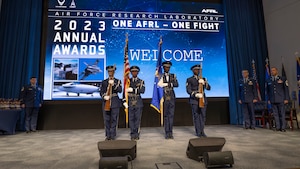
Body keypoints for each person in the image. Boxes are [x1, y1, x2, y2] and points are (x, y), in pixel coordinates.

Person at [186, 64, 211, 137]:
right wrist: (195, 94)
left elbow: (209, 88)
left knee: (203, 116)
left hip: (203, 100)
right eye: (196, 70)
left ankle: (202, 131)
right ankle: (198, 132)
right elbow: (188, 90)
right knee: (196, 116)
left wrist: (205, 83)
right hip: (194, 100)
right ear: (193, 71)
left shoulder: (203, 79)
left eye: (199, 70)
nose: (198, 71)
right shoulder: (189, 79)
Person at [100, 65, 122, 140]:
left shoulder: (118, 81)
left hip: (115, 102)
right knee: (106, 120)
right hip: (106, 102)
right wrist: (104, 96)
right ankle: (108, 135)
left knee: (114, 119)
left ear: (114, 72)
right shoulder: (104, 82)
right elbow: (101, 91)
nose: (110, 73)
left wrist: (114, 84)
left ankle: (113, 135)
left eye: (111, 71)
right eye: (109, 71)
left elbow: (120, 90)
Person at [157, 61, 178, 139]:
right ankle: (166, 132)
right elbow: (157, 85)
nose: (167, 68)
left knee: (171, 115)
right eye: (166, 67)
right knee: (166, 115)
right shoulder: (160, 76)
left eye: (168, 67)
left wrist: (169, 84)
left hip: (171, 96)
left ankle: (170, 132)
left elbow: (176, 84)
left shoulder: (173, 76)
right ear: (163, 68)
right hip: (164, 96)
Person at [124, 66, 145, 140]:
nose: (134, 73)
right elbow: (125, 92)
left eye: (135, 71)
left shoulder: (141, 81)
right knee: (131, 119)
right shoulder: (128, 81)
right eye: (132, 72)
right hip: (130, 101)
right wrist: (124, 101)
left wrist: (133, 89)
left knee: (137, 119)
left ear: (138, 72)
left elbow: (142, 90)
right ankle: (132, 134)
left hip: (138, 101)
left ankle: (136, 133)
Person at [267, 67, 290, 132]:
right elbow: (268, 91)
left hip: (281, 99)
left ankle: (283, 127)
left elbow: (286, 89)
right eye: (271, 71)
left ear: (277, 71)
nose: (272, 72)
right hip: (273, 99)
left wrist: (286, 98)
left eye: (274, 70)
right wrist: (268, 99)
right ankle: (278, 127)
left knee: (282, 113)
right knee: (275, 114)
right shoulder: (269, 80)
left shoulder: (282, 79)